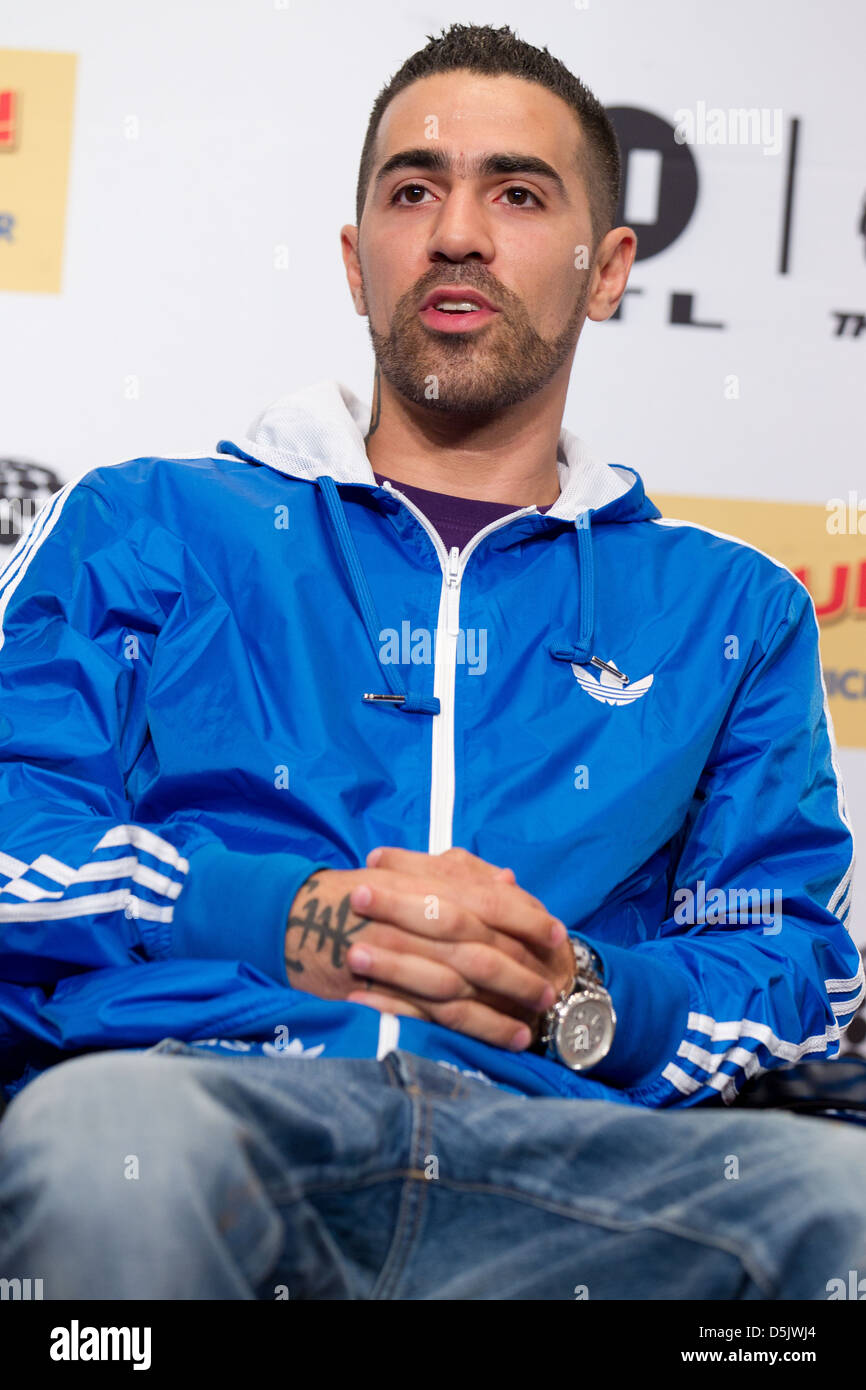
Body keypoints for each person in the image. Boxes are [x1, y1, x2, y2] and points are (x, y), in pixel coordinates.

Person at [0, 22, 863, 1301]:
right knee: (100, 1146)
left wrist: (581, 992)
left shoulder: (727, 607)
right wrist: (282, 919)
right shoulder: (153, 524)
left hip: (565, 1161)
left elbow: (786, 966)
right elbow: (17, 838)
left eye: (517, 193)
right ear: (358, 263)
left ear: (607, 268)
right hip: (205, 1113)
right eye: (414, 190)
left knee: (833, 1205)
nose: (457, 233)